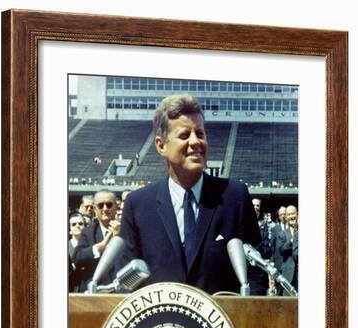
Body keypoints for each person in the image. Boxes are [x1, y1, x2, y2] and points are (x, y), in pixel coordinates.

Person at [119, 94, 264, 295]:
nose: (195, 141)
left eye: (200, 133)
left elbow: (256, 274)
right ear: (161, 145)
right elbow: (126, 283)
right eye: (184, 135)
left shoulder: (234, 196)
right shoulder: (138, 205)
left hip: (224, 324)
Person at [72, 190, 121, 288]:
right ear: (94, 209)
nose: (105, 208)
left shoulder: (127, 231)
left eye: (109, 204)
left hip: (120, 289)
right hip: (95, 290)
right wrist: (101, 246)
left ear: (116, 207)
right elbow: (77, 259)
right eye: (100, 205)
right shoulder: (88, 232)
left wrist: (119, 238)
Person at [278, 205, 298, 294]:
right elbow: (282, 250)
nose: (291, 216)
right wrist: (292, 239)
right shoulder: (282, 234)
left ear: (297, 214)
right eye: (289, 215)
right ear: (286, 217)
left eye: (293, 214)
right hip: (288, 274)